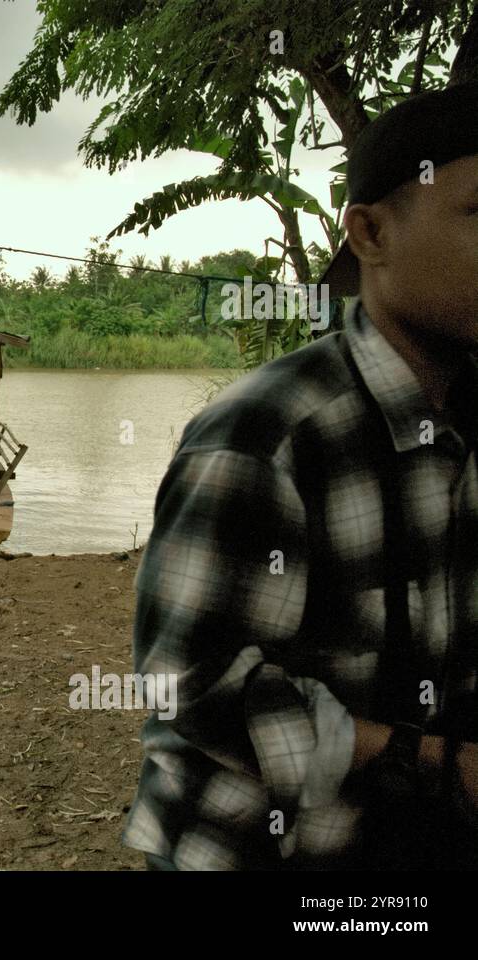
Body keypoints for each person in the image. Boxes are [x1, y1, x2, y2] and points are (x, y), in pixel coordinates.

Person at [124, 81, 478, 870]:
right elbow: (191, 689)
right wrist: (437, 761)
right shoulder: (267, 438)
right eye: (477, 214)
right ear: (370, 232)